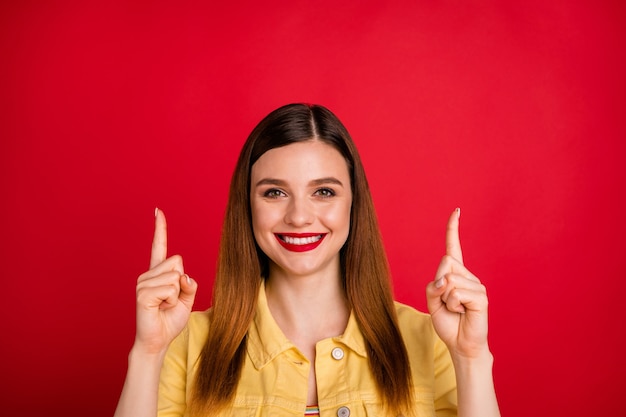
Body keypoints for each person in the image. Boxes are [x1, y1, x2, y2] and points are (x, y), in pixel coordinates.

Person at [114, 103, 500, 417]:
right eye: (274, 193)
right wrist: (147, 354)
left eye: (324, 192)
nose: (299, 216)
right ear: (247, 207)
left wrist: (471, 358)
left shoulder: (430, 340)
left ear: (354, 204)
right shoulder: (185, 344)